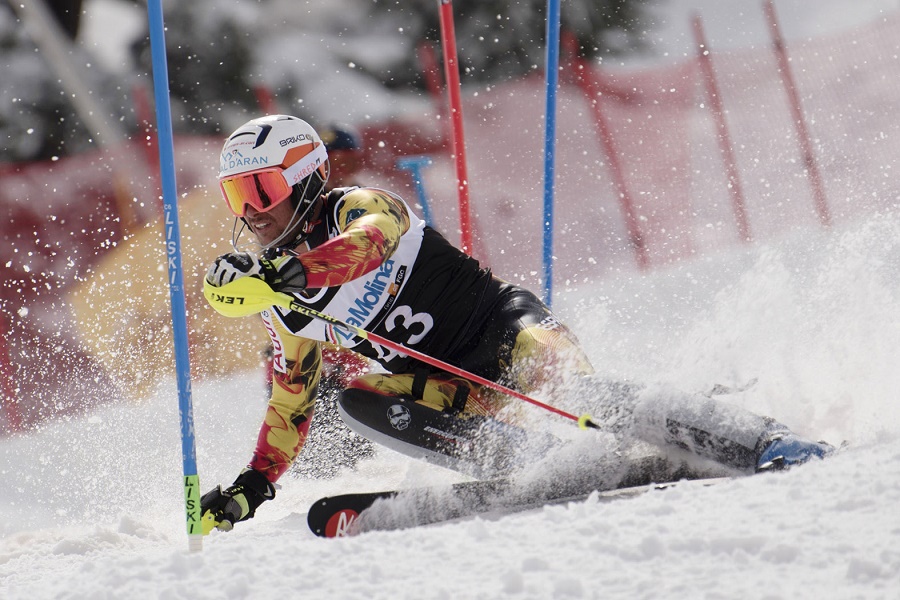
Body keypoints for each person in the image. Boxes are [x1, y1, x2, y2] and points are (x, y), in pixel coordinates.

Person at [199, 115, 834, 532]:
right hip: (450, 385)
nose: (250, 212)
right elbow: (291, 400)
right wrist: (254, 484)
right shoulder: (284, 303)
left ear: (307, 178)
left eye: (260, 190)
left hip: (506, 331)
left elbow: (369, 244)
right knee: (359, 401)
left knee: (575, 392)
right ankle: (544, 459)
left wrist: (292, 274)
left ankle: (763, 440)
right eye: (237, 198)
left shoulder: (359, 208)